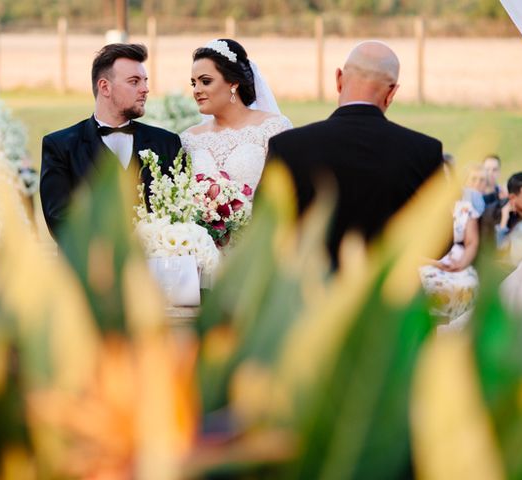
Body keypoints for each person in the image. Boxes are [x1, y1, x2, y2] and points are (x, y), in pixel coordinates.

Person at [267, 40, 443, 269]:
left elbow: (265, 234)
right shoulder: (424, 150)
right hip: (387, 299)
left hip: (308, 297)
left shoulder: (287, 147)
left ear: (339, 79)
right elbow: (441, 243)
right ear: (391, 93)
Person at [40, 43, 183, 238]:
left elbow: (181, 214)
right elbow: (61, 223)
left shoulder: (167, 143)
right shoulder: (60, 146)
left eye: (145, 81)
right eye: (134, 82)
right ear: (105, 87)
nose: (145, 89)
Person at [180, 39, 292, 197]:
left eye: (205, 81)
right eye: (194, 83)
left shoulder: (274, 128)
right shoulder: (188, 139)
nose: (197, 90)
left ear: (233, 83)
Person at [419, 165, 486, 322]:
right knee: (427, 286)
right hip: (428, 259)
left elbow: (472, 242)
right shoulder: (422, 208)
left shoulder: (464, 208)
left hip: (457, 260)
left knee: (466, 286)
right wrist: (435, 263)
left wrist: (461, 264)